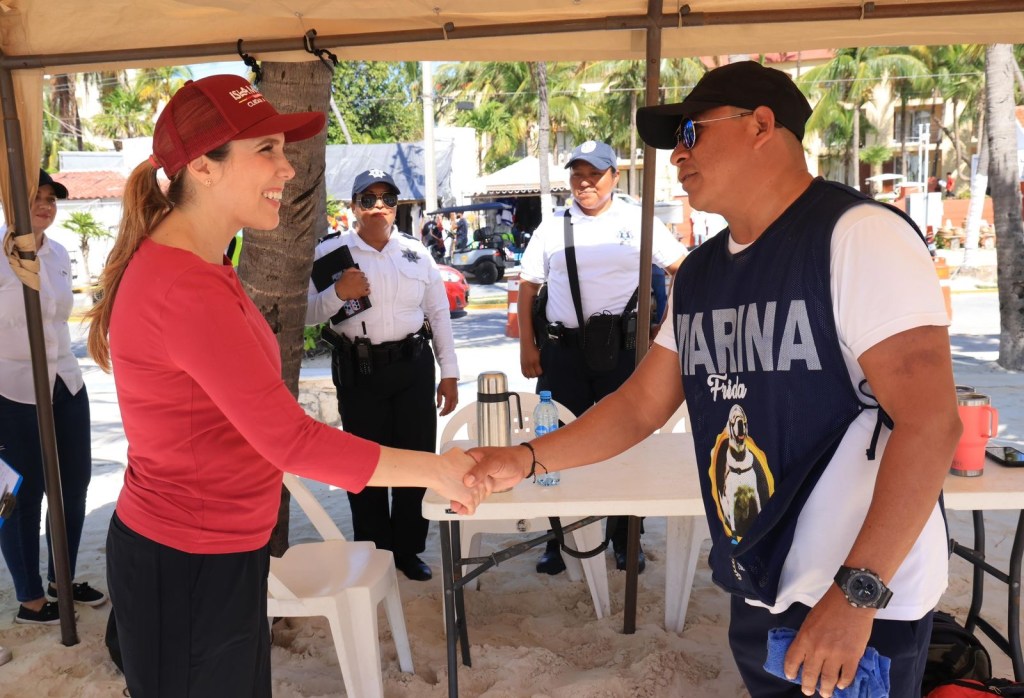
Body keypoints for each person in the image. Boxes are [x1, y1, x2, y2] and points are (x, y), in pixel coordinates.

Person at [467, 61, 959, 698]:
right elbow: (641, 405)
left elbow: (931, 421)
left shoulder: (857, 236)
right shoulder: (700, 273)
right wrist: (526, 459)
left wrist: (857, 594)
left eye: (691, 133)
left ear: (761, 126)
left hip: (858, 598)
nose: (675, 156)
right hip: (760, 581)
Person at [84, 75, 484, 697]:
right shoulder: (184, 285)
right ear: (203, 168)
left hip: (217, 550)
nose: (287, 169)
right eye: (264, 150)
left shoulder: (203, 264)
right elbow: (290, 441)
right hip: (187, 560)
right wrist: (436, 470)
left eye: (283, 148)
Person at [516, 139, 686, 575]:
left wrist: (663, 328)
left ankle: (627, 538)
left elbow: (679, 267)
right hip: (563, 350)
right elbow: (528, 285)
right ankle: (558, 539)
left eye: (594, 174)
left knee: (627, 443)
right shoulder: (553, 225)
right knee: (552, 443)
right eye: (577, 174)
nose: (585, 182)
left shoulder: (638, 220)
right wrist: (528, 345)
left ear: (614, 176)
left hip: (625, 351)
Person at [306, 168, 460, 582]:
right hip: (359, 369)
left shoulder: (416, 253)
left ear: (397, 207)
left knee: (415, 460)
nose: (378, 207)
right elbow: (305, 314)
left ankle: (408, 551)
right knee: (364, 465)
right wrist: (338, 293)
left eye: (387, 199)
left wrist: (450, 372)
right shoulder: (330, 254)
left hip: (412, 365)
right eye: (368, 198)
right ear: (354, 206)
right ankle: (374, 552)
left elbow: (438, 313)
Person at [0, 169, 107, 626]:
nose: (45, 205)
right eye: (36, 198)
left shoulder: (59, 253)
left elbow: (59, 321)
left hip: (65, 382)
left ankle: (59, 579)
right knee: (21, 493)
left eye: (51, 198)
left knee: (75, 484)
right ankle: (30, 599)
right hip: (12, 389)